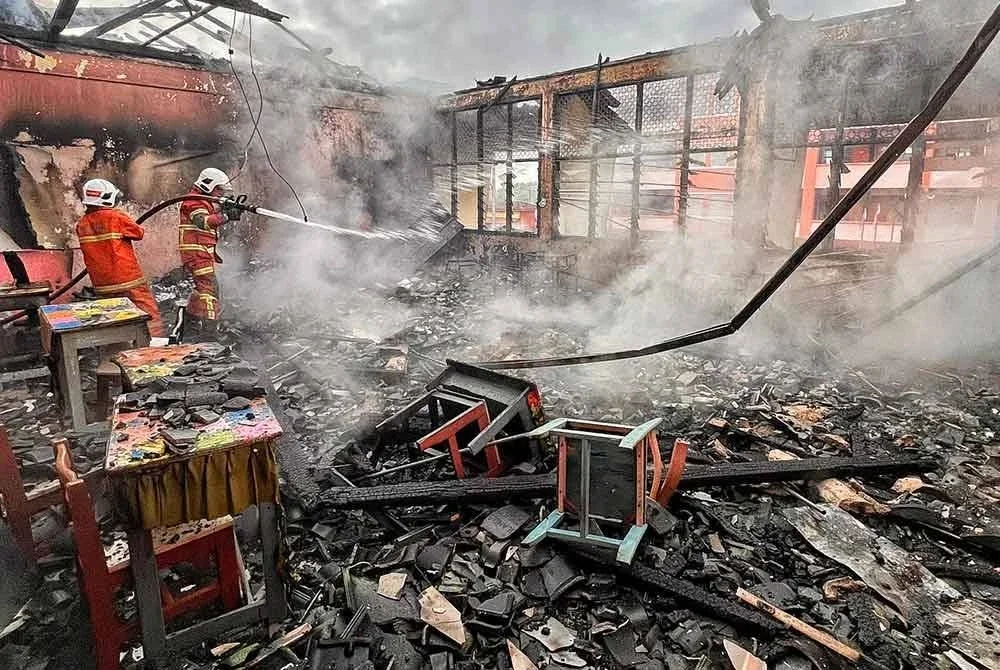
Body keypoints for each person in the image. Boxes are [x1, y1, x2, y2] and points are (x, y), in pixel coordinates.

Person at [76, 179, 165, 337]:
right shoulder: (115, 216)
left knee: (114, 318)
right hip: (128, 279)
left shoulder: (82, 224)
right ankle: (155, 344)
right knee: (147, 313)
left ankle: (121, 347)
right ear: (108, 198)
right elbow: (139, 233)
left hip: (102, 284)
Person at [178, 168, 241, 338]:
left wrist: (227, 208)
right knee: (209, 290)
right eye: (219, 189)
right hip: (196, 253)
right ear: (208, 186)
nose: (221, 193)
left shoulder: (203, 201)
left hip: (200, 252)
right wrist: (226, 216)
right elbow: (203, 222)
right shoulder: (193, 202)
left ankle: (189, 323)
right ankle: (210, 334)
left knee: (201, 289)